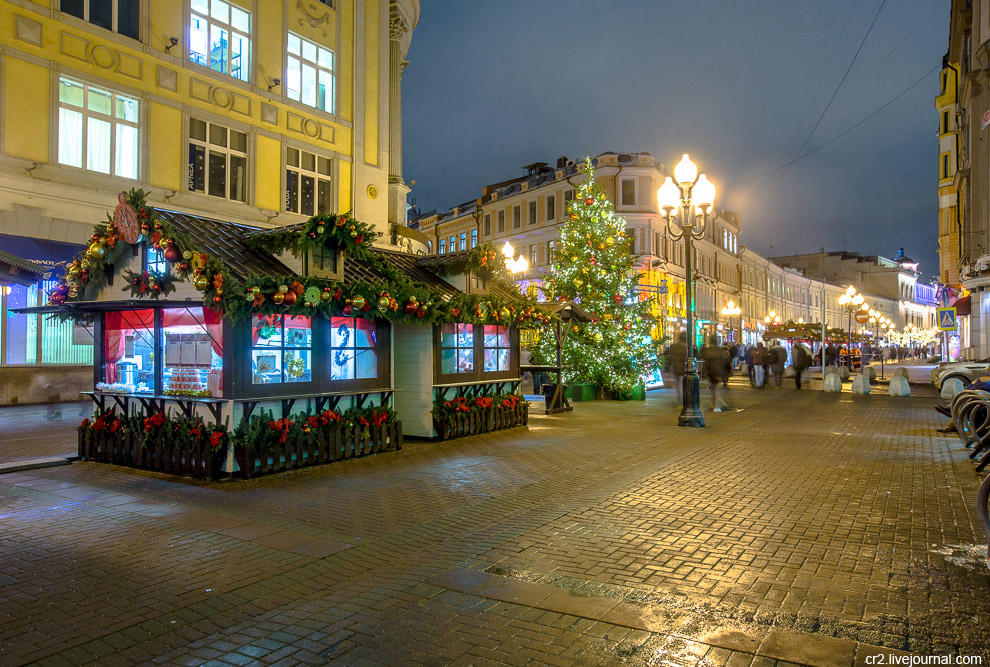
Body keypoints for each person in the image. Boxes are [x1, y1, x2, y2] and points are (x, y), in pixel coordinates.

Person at [701, 336, 730, 412]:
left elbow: (705, 361)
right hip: (718, 371)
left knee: (713, 388)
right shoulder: (719, 350)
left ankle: (715, 403)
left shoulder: (708, 351)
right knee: (716, 388)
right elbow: (724, 362)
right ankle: (716, 406)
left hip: (710, 372)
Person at [665, 332, 687, 406]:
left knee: (678, 385)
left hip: (676, 368)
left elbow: (670, 358)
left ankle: (678, 399)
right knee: (682, 385)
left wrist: (667, 368)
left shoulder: (675, 346)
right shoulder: (686, 347)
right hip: (684, 368)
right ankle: (681, 401)